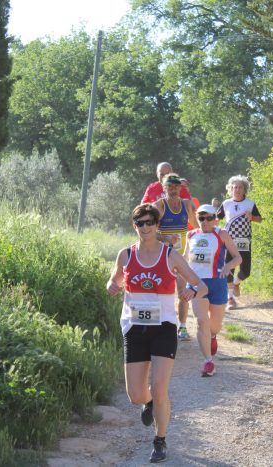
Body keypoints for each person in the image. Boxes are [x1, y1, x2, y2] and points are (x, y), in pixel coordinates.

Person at [107, 203, 208, 463]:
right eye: (139, 223)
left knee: (159, 387)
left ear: (156, 224)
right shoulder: (126, 254)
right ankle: (148, 403)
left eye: (149, 222)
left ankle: (160, 440)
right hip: (134, 327)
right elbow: (115, 279)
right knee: (136, 395)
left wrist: (191, 291)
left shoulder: (170, 255)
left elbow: (201, 284)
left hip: (163, 327)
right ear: (134, 226)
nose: (145, 227)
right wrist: (112, 286)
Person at [186, 204, 241, 376]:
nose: (205, 221)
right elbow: (184, 258)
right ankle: (208, 362)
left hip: (217, 283)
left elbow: (238, 257)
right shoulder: (191, 235)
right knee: (201, 321)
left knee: (214, 327)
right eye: (201, 218)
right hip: (196, 284)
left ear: (215, 219)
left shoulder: (221, 234)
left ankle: (212, 336)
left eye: (209, 218)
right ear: (197, 218)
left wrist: (228, 266)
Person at [152, 173, 199, 340]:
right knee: (161, 293)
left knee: (183, 292)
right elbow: (148, 232)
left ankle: (183, 327)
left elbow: (196, 227)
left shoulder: (187, 205)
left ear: (180, 188)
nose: (173, 190)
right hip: (163, 257)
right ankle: (158, 325)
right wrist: (165, 238)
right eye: (169, 187)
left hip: (181, 257)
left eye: (176, 187)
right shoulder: (159, 206)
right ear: (164, 188)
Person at [216, 175, 262, 309]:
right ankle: (230, 298)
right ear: (230, 189)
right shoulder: (226, 204)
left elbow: (259, 219)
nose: (237, 189)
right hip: (229, 240)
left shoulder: (250, 203)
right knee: (228, 268)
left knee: (246, 271)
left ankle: (236, 283)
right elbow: (216, 219)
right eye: (234, 187)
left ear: (244, 190)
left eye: (240, 187)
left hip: (244, 240)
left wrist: (252, 217)